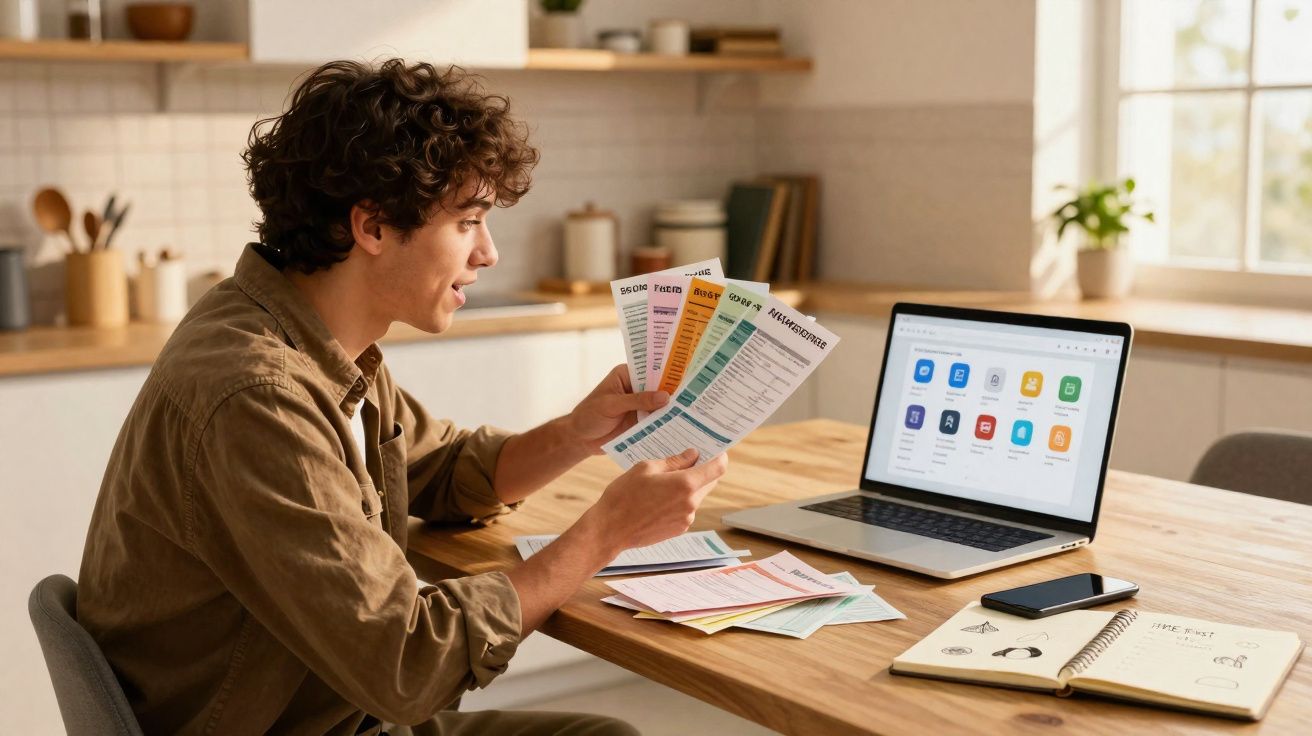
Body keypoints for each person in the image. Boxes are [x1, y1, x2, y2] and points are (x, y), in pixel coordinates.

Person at [77, 59, 728, 736]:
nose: (488, 254)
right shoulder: (260, 396)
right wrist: (608, 531)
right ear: (374, 227)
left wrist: (576, 434)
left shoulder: (305, 335)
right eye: (468, 221)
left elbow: (441, 469)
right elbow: (407, 666)